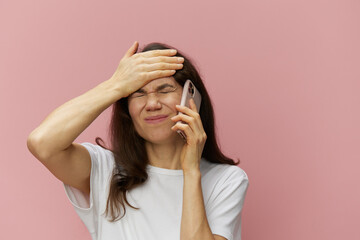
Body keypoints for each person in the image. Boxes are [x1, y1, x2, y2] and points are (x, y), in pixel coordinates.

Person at [27, 41, 249, 240]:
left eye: (164, 90)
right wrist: (116, 85)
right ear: (128, 110)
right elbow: (42, 142)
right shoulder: (105, 170)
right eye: (138, 93)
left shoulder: (226, 181)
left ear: (192, 100)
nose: (151, 104)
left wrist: (191, 170)